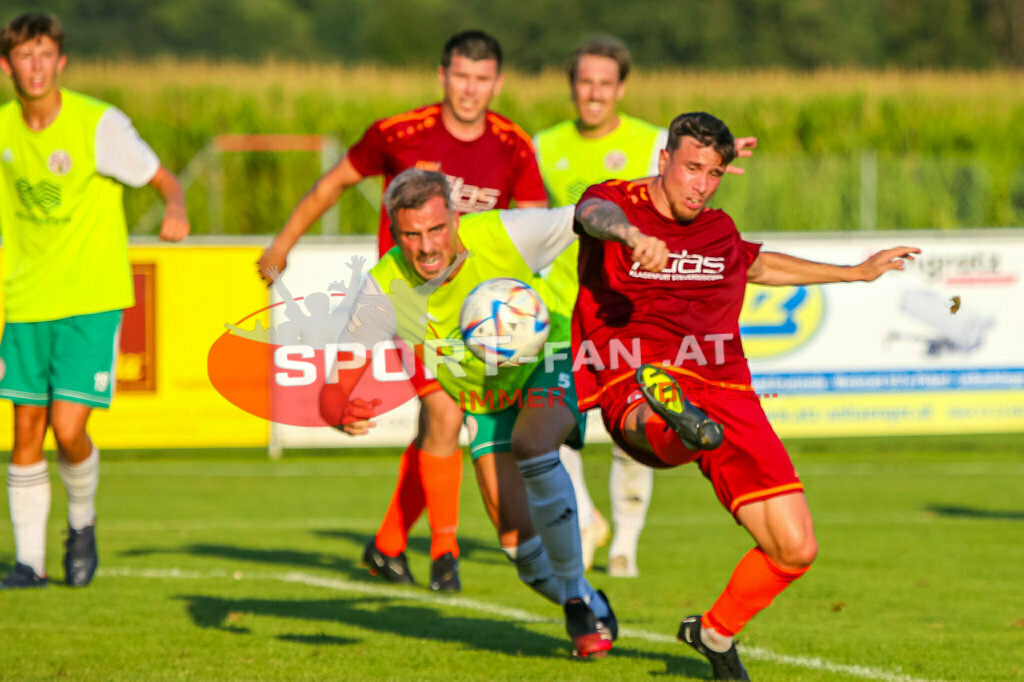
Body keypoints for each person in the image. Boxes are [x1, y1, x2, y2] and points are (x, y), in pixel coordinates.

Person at [572, 111, 919, 679]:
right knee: (661, 421)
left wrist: (855, 273)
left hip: (724, 388)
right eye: (691, 168)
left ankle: (713, 632)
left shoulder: (718, 230)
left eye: (713, 173)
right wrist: (631, 236)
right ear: (664, 159)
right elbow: (590, 215)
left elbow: (756, 265)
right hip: (632, 372)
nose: (701, 185)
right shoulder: (618, 202)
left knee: (795, 548)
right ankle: (678, 420)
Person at [259, 30, 547, 592]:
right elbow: (333, 184)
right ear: (442, 76)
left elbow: (532, 227)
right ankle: (445, 553)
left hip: (478, 313)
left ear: (498, 83)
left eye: (482, 78)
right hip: (409, 302)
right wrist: (282, 244)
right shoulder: (400, 133)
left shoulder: (513, 145)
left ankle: (389, 546)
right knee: (444, 412)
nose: (470, 89)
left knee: (433, 427)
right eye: (461, 76)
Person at [321, 167, 616, 658]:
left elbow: (586, 213)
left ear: (456, 220)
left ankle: (575, 606)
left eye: (436, 229)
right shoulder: (383, 289)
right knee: (520, 552)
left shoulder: (505, 233)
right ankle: (587, 600)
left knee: (534, 445)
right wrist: (338, 410)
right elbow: (336, 384)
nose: (427, 247)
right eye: (411, 235)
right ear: (393, 233)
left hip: (549, 362)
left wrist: (657, 201)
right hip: (485, 401)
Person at [533, 35, 754, 577]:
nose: (594, 93)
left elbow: (685, 177)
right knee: (550, 425)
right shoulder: (543, 145)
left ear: (621, 88)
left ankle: (625, 544)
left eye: (605, 83)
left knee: (636, 424)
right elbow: (533, 220)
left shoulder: (650, 140)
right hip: (557, 307)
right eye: (585, 82)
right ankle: (587, 518)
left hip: (633, 311)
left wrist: (717, 160)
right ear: (571, 85)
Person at [0, 13, 189, 589]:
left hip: (89, 298)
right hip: (26, 300)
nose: (36, 66)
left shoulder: (98, 124)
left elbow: (164, 179)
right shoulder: (3, 129)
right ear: (6, 65)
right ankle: (29, 564)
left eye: (45, 54)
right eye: (24, 55)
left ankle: (81, 522)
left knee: (67, 428)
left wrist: (176, 208)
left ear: (60, 62)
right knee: (25, 428)